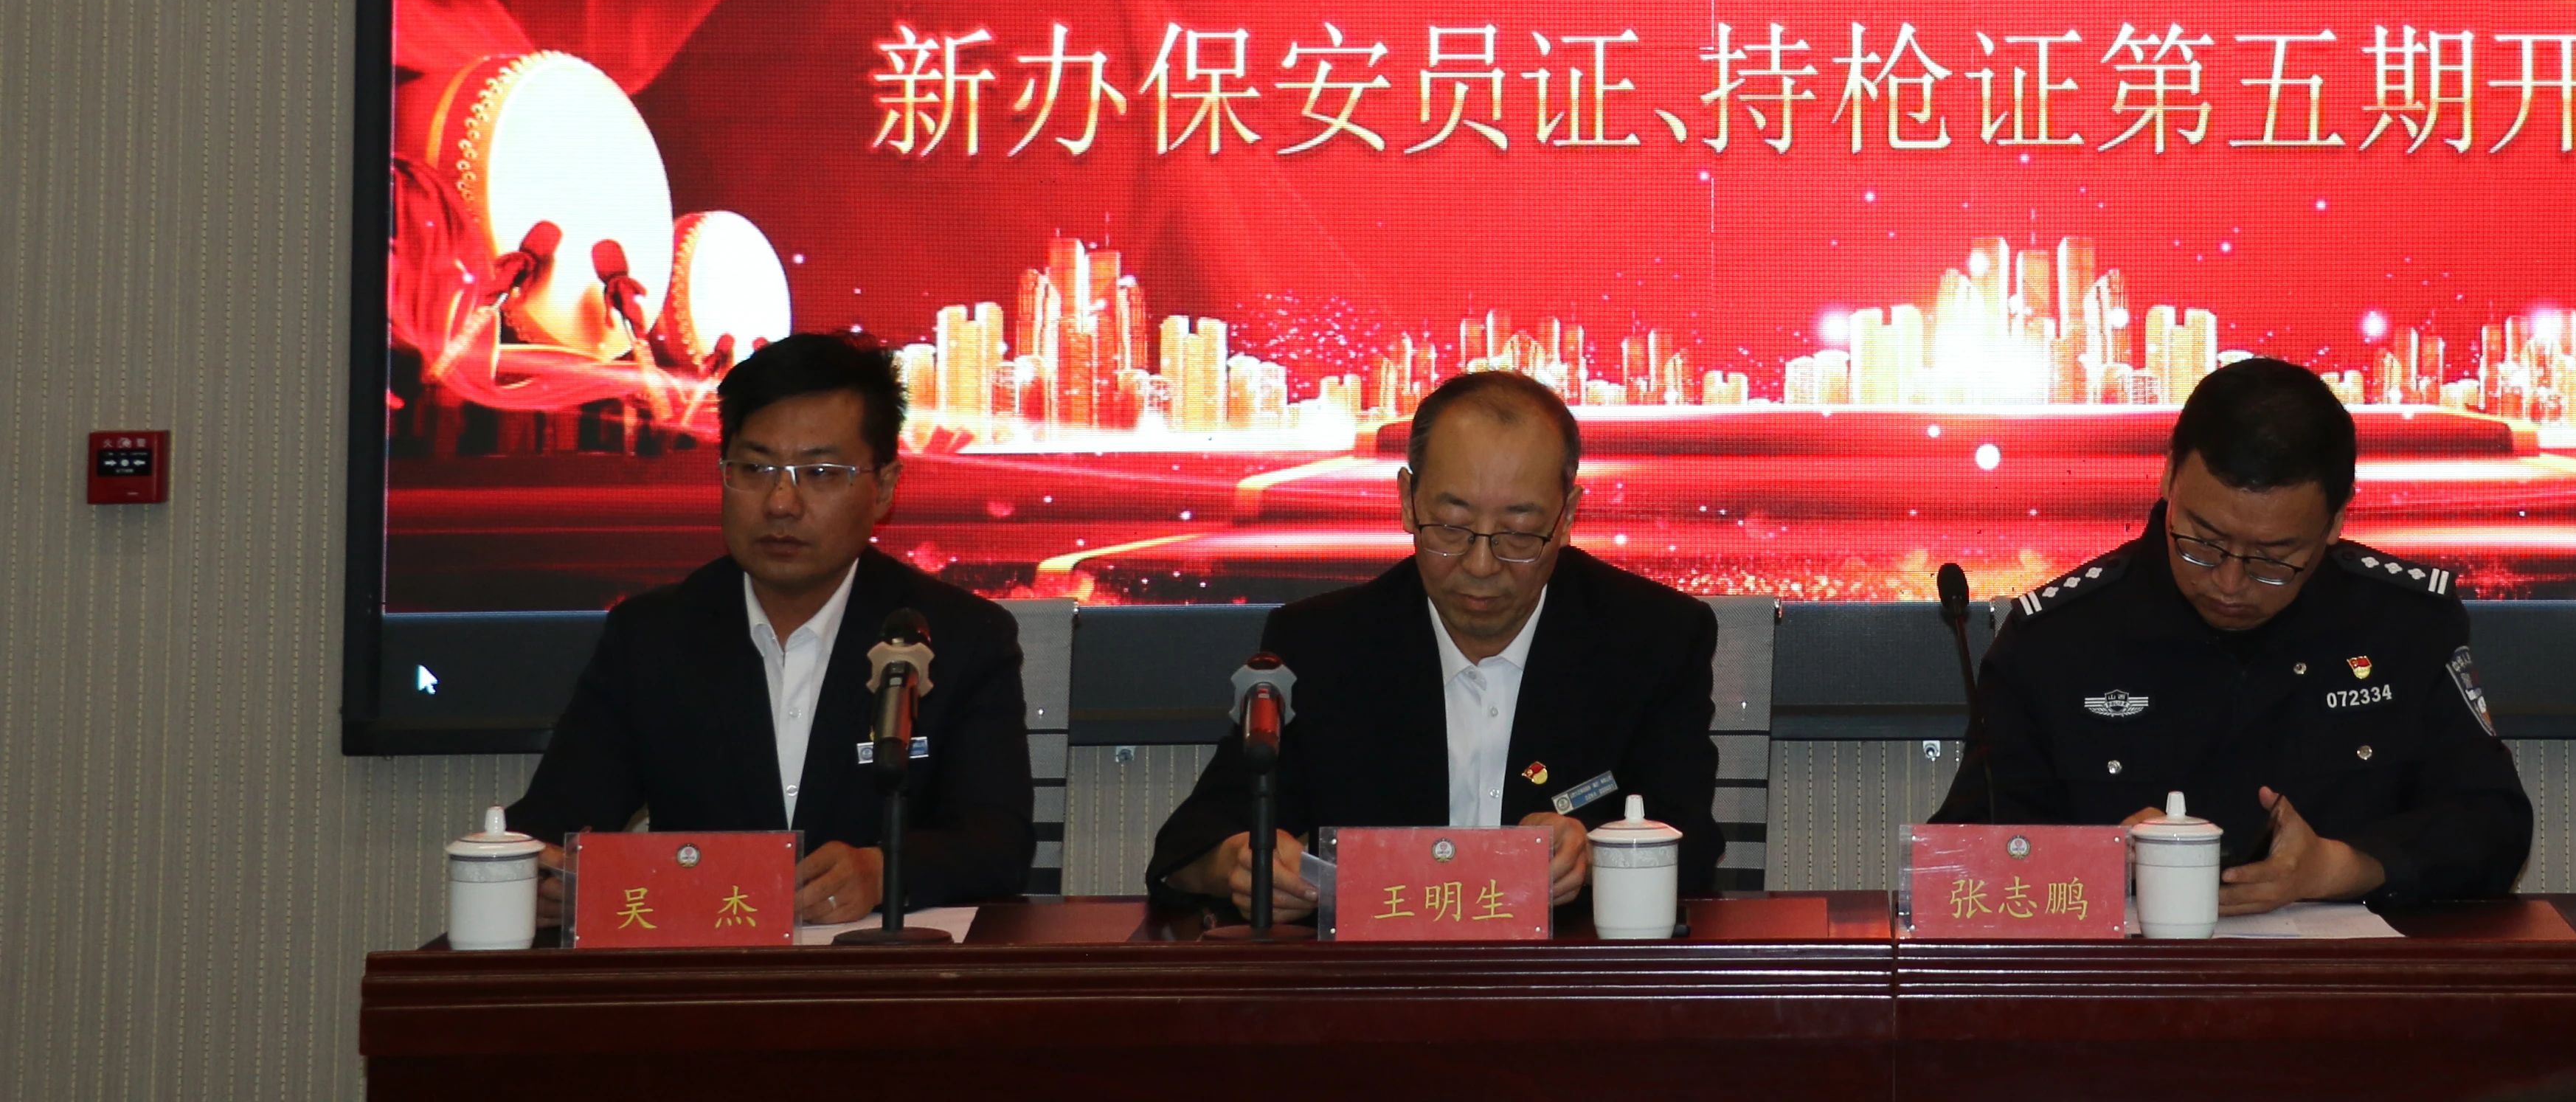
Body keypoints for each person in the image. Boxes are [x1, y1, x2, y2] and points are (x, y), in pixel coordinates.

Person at [1933, 356, 2532, 912]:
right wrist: (2098, 862)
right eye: (2203, 542)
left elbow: (2492, 826)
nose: (2229, 582)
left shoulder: (2404, 625)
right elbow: (1958, 863)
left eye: (2274, 558)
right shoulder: (2055, 641)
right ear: (2168, 479)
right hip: (2126, 985)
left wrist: (2338, 868)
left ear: (2335, 520)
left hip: (2342, 985)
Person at [1147, 370, 1721, 921]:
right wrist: (1242, 864)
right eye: (1451, 527)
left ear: (1567, 516)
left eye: (1519, 533)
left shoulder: (1652, 637)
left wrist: (1594, 858)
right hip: (1378, 977)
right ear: (1408, 500)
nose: (1481, 565)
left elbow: (1693, 846)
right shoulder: (1321, 645)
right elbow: (1188, 849)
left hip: (1564, 978)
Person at [510, 331, 1033, 927]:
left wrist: (883, 870)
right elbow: (552, 824)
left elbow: (999, 843)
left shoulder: (960, 636)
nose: (781, 503)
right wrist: (544, 875)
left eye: (821, 472)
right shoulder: (652, 637)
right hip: (713, 972)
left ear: (884, 487)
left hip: (882, 974)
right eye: (756, 469)